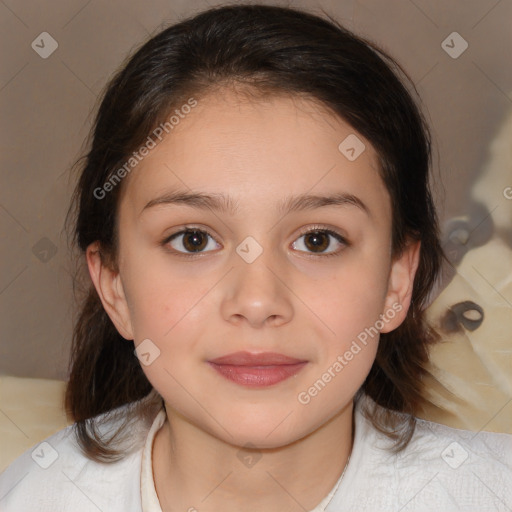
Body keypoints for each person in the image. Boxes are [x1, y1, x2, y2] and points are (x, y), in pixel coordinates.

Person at [1, 3, 510, 511]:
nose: (258, 301)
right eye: (193, 240)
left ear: (398, 280)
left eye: (317, 240)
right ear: (114, 285)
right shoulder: (34, 496)